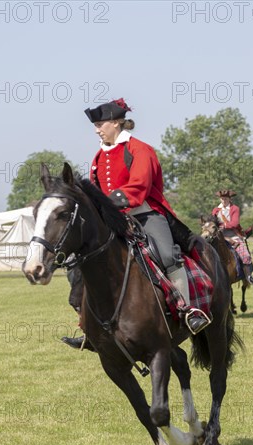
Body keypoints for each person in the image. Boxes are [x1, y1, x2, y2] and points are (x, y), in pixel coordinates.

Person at [62, 98, 210, 349]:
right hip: (112, 220)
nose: (97, 129)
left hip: (145, 213)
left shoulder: (140, 149)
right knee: (82, 261)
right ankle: (89, 325)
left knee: (166, 255)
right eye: (95, 125)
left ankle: (188, 311)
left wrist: (108, 203)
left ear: (117, 122)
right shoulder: (99, 156)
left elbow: (140, 186)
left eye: (100, 124)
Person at [212, 189, 253, 284]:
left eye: (225, 198)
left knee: (246, 255)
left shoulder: (235, 209)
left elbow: (235, 223)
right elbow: (213, 222)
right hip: (220, 237)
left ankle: (248, 276)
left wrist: (223, 225)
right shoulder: (216, 210)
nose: (224, 200)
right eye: (222, 198)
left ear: (229, 199)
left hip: (233, 236)